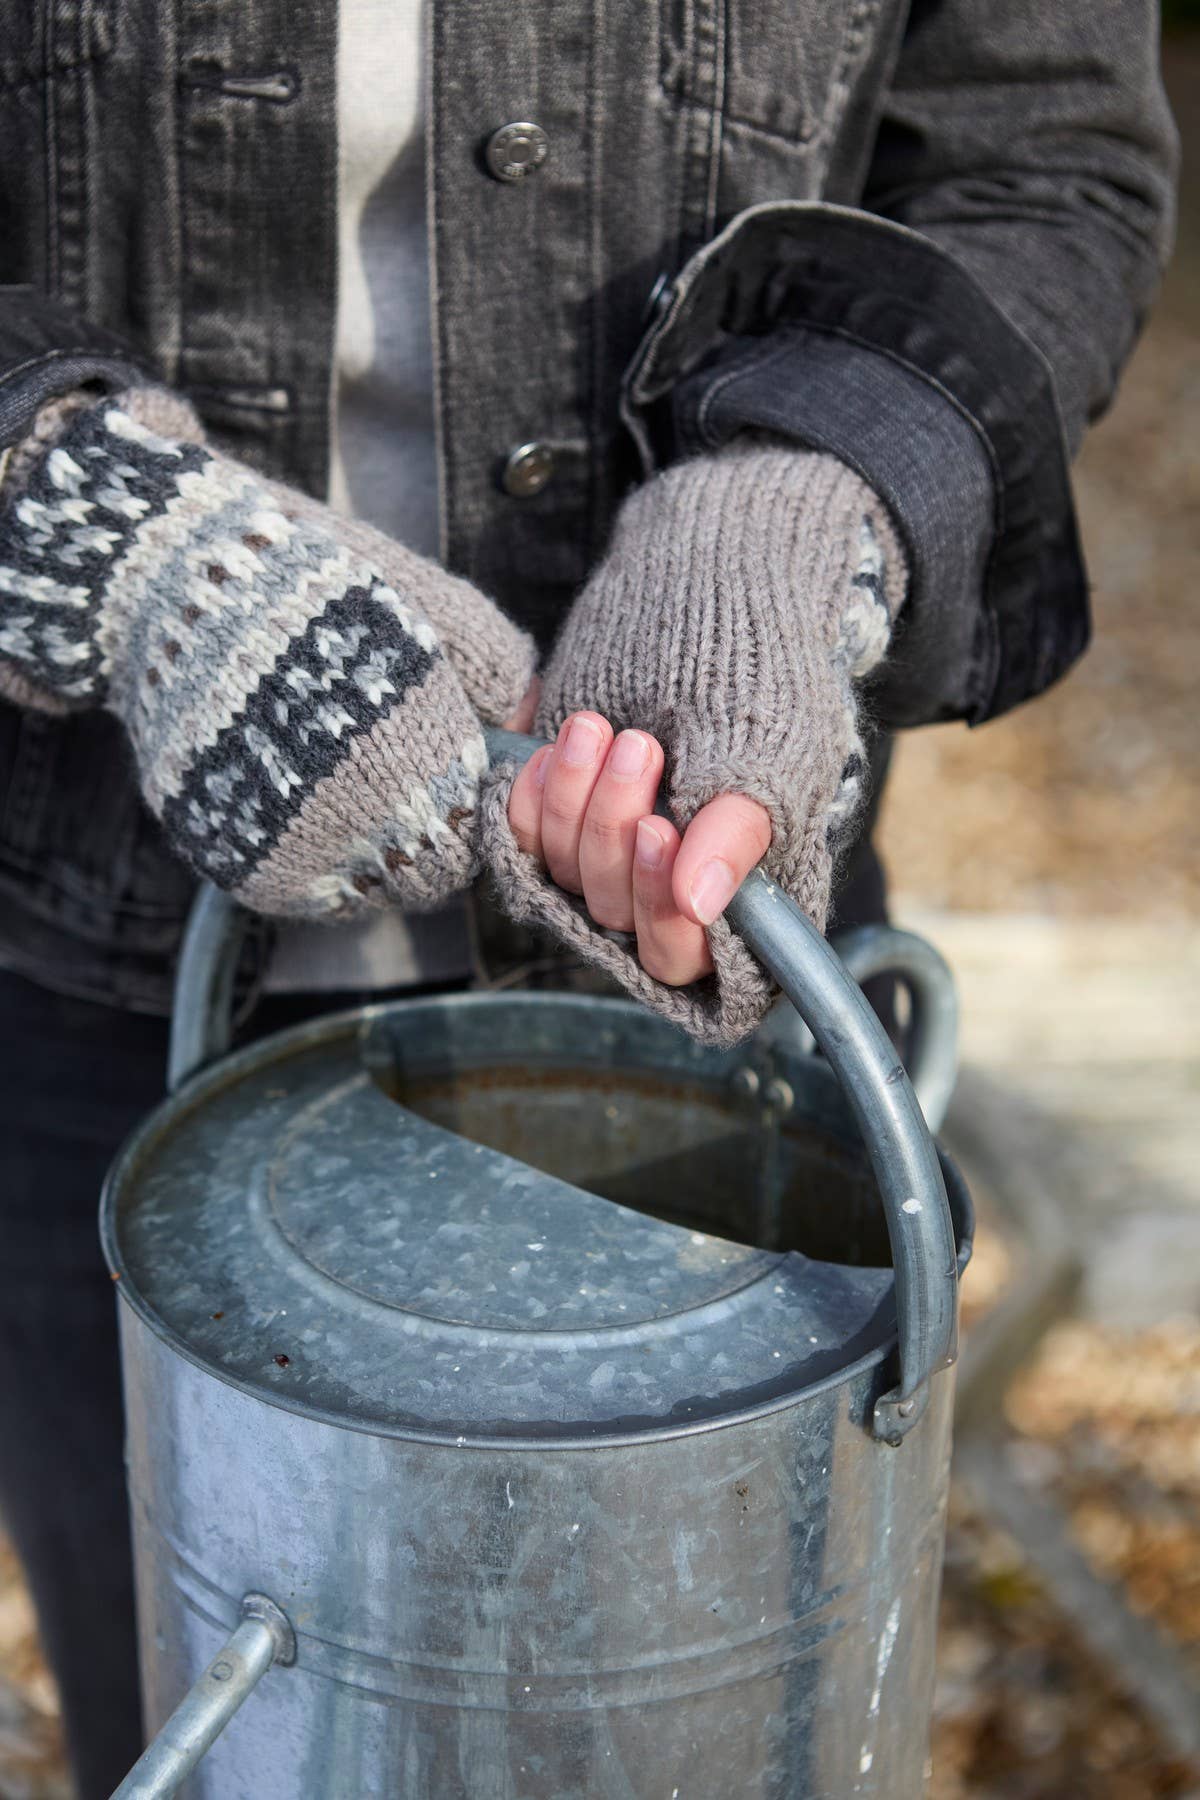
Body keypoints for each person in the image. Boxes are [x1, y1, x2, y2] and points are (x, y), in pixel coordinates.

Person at [0, 1, 1176, 1792]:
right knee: (212, 1700)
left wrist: (818, 488)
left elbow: (1043, 158)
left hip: (703, 957)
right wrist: (101, 527)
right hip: (88, 964)